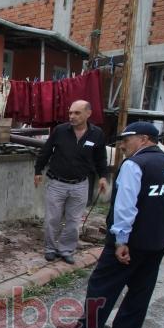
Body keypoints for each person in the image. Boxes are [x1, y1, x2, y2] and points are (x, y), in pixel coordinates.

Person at [56, 122, 164, 328]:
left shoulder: (135, 164)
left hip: (131, 241)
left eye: (126, 140)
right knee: (141, 289)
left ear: (143, 139)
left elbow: (126, 206)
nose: (122, 145)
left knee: (102, 285)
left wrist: (121, 240)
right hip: (159, 240)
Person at [34, 100, 108, 264]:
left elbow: (101, 158)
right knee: (52, 219)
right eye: (70, 113)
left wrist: (103, 176)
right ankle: (50, 249)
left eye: (77, 113)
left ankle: (66, 250)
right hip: (57, 183)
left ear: (88, 113)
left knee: (73, 221)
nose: (72, 116)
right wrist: (38, 170)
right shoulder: (60, 130)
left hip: (80, 185)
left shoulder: (96, 134)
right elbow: (46, 151)